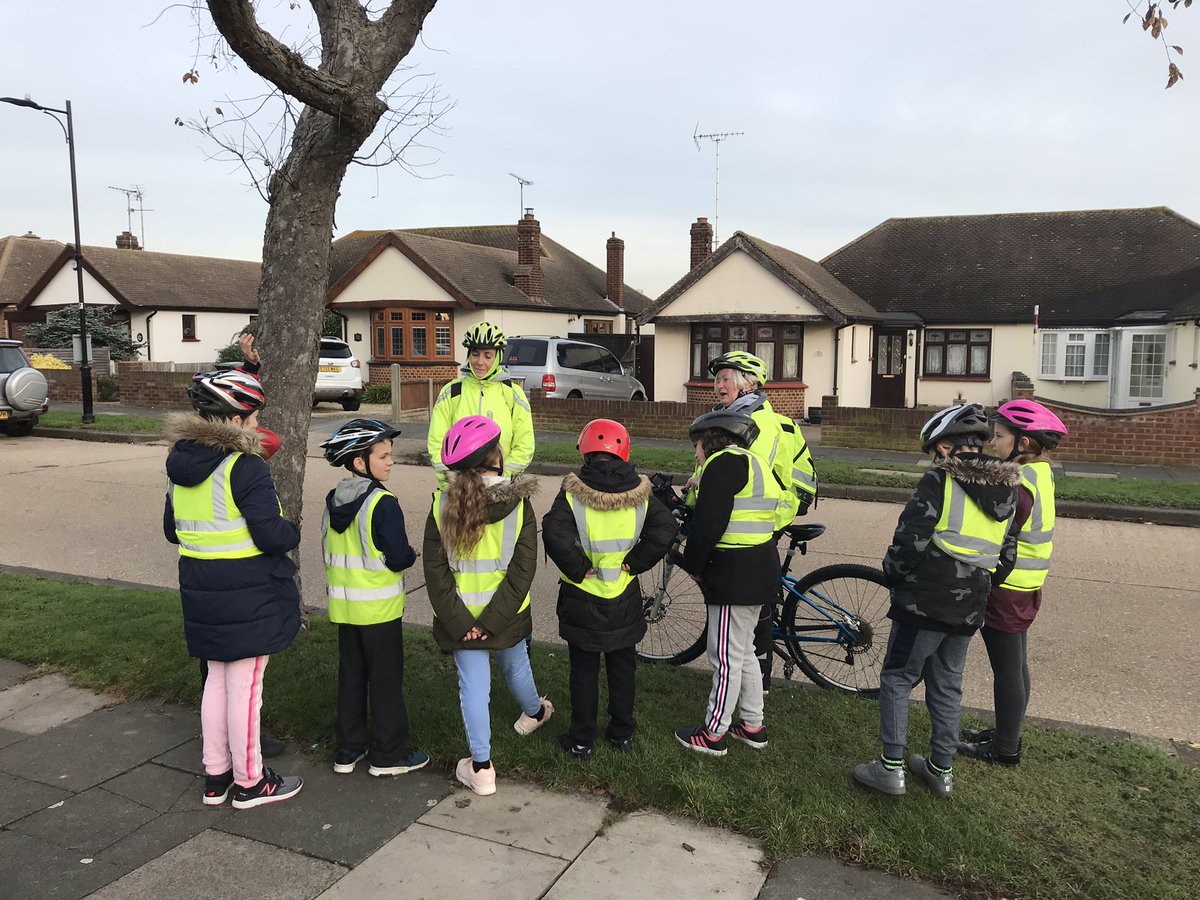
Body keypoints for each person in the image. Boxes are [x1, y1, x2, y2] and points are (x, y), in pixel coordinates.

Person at [853, 403, 1020, 798]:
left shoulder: (939, 481)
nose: (932, 458)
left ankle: (891, 768)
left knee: (897, 677)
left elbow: (909, 541)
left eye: (934, 451)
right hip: (969, 605)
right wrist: (980, 588)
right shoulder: (1008, 489)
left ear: (946, 449)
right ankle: (940, 770)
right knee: (947, 685)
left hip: (923, 603)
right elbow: (1008, 555)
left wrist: (894, 575)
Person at [163, 370, 303, 809]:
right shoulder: (244, 466)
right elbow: (271, 536)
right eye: (254, 415)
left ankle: (216, 774)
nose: (257, 424)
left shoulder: (179, 465)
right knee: (246, 686)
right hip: (246, 587)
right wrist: (291, 529)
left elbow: (172, 530)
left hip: (200, 583)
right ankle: (251, 781)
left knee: (216, 683)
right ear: (238, 418)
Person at [423, 415, 552, 795]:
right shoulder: (519, 506)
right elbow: (522, 569)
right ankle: (535, 713)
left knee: (473, 688)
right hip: (506, 617)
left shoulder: (440, 506)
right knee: (516, 667)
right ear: (496, 457)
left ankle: (481, 769)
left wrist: (462, 621)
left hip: (459, 619)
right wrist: (492, 622)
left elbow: (435, 571)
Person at [541, 419, 678, 757]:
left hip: (582, 596)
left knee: (584, 673)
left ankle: (581, 739)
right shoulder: (641, 494)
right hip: (624, 596)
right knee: (622, 670)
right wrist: (636, 561)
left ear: (584, 453)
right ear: (625, 451)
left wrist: (578, 567)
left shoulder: (572, 493)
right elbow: (666, 526)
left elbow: (554, 534)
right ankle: (621, 735)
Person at [958, 400, 1069, 767]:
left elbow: (1000, 526)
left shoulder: (1020, 482)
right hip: (1027, 583)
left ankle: (1004, 749)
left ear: (1022, 443)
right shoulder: (1041, 472)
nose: (993, 442)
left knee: (1006, 669)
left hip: (1007, 585)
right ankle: (1008, 733)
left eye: (1001, 436)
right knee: (1016, 665)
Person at [319, 418, 429, 777]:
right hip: (379, 612)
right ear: (358, 462)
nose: (391, 461)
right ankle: (388, 755)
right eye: (383, 456)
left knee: (351, 677)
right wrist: (411, 554)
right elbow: (397, 556)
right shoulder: (383, 502)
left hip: (345, 609)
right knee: (385, 682)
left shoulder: (333, 500)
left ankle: (348, 750)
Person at [704, 351, 818, 694]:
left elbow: (746, 479)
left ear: (748, 383)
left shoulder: (761, 424)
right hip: (765, 508)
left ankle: (760, 677)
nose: (717, 386)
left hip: (770, 513)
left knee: (755, 597)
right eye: (717, 379)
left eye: (726, 378)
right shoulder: (732, 418)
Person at [674, 410, 785, 757]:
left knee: (724, 656)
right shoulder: (753, 463)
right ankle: (753, 725)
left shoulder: (721, 465)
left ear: (711, 440)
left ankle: (713, 732)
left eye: (697, 445)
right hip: (760, 568)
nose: (695, 454)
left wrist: (693, 564)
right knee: (744, 652)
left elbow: (709, 526)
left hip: (734, 574)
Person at [427, 322, 534, 488]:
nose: (480, 362)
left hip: (499, 486)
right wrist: (449, 478)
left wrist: (501, 477)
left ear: (498, 357)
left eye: (488, 356)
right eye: (475, 354)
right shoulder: (452, 391)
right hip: (458, 487)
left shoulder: (513, 394)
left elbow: (524, 444)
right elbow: (437, 441)